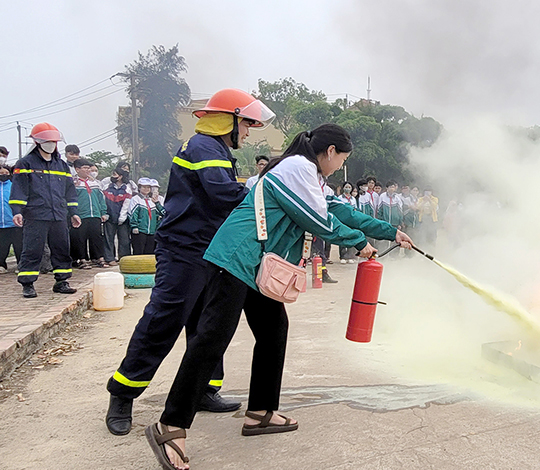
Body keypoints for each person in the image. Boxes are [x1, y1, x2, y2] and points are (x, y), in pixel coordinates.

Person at [144, 123, 413, 470]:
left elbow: (340, 211)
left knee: (273, 333)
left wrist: (391, 231)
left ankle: (260, 412)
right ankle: (171, 425)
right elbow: (320, 220)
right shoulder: (297, 169)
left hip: (258, 265)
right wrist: (359, 243)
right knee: (211, 339)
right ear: (330, 152)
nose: (340, 167)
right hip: (237, 257)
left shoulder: (311, 177)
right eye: (342, 159)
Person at [106, 88, 275, 436]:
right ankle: (122, 394)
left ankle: (203, 390)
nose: (247, 132)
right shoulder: (203, 147)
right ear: (228, 119)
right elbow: (224, 194)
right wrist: (269, 198)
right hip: (184, 250)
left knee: (207, 325)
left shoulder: (215, 148)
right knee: (164, 320)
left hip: (210, 249)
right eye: (245, 124)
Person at [10, 122, 81, 298]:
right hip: (35, 214)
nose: (51, 144)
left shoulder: (61, 165)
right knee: (32, 249)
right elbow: (19, 189)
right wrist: (17, 211)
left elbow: (69, 190)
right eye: (48, 141)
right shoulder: (25, 163)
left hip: (58, 214)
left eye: (54, 141)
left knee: (62, 248)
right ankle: (27, 284)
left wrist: (74, 212)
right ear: (37, 142)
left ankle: (62, 281)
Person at [71, 158, 109, 268]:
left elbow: (101, 199)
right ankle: (82, 259)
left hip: (95, 214)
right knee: (80, 237)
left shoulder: (95, 183)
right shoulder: (74, 183)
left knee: (96, 236)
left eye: (89, 168)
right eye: (85, 168)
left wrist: (103, 212)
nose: (88, 170)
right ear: (77, 169)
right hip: (81, 214)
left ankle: (98, 257)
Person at [101, 166, 133, 265]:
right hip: (109, 217)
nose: (113, 176)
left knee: (124, 239)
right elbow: (103, 201)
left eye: (115, 174)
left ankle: (124, 258)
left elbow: (127, 203)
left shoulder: (127, 188)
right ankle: (110, 258)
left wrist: (122, 217)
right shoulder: (107, 187)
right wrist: (105, 213)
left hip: (122, 218)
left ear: (120, 176)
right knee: (108, 238)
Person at [129, 178, 164, 255]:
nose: (146, 189)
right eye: (144, 187)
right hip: (140, 231)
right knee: (139, 252)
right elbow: (132, 214)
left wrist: (157, 203)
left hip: (151, 232)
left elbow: (162, 213)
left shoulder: (151, 201)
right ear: (139, 188)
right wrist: (134, 226)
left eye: (148, 187)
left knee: (149, 253)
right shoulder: (135, 199)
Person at [0, 165, 22, 273]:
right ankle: (1, 265)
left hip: (14, 222)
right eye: (1, 174)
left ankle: (21, 264)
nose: (3, 176)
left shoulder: (14, 186)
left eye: (6, 174)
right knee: (2, 246)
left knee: (19, 245)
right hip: (1, 223)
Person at [376, 180, 404, 253]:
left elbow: (400, 211)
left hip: (395, 222)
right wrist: (380, 220)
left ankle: (394, 256)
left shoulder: (397, 197)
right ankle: (383, 254)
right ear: (387, 188)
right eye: (390, 187)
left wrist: (400, 222)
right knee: (384, 240)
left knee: (395, 239)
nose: (392, 188)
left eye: (393, 187)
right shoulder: (382, 196)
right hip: (385, 222)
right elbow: (379, 210)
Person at [337, 181, 357, 263]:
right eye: (346, 187)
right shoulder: (340, 198)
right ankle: (343, 256)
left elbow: (355, 209)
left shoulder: (353, 199)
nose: (347, 189)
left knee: (351, 237)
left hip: (351, 221)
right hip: (343, 220)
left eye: (349, 187)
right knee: (343, 237)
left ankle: (350, 256)